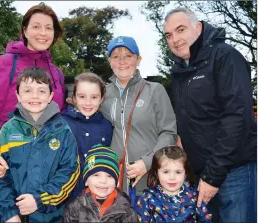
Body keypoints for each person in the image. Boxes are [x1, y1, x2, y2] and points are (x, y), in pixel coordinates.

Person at [0, 2, 65, 221]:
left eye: (49, 27)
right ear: (24, 30)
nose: (43, 33)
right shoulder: (5, 63)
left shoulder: (56, 73)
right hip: (6, 168)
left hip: (45, 172)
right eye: (36, 26)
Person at [163, 8, 257, 222]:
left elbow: (236, 118)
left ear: (198, 27)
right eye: (169, 35)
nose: (175, 39)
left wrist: (213, 176)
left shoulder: (225, 56)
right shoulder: (178, 71)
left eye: (180, 30)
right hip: (201, 174)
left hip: (234, 172)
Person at [0, 67, 80, 222]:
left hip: (52, 217)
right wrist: (9, 213)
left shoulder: (63, 131)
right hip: (16, 217)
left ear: (50, 96)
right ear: (18, 95)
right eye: (28, 90)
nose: (35, 96)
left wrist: (39, 200)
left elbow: (70, 172)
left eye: (41, 91)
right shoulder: (8, 130)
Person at [100, 36, 177, 196]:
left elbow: (168, 133)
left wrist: (147, 162)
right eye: (116, 57)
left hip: (149, 180)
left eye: (128, 56)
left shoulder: (155, 90)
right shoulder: (102, 95)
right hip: (113, 183)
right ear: (110, 61)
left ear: (138, 59)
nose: (122, 62)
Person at [62, 72, 113, 199]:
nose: (88, 102)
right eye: (82, 96)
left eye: (94, 97)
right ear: (74, 97)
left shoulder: (106, 126)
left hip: (93, 196)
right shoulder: (61, 123)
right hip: (64, 194)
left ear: (102, 99)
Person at [135, 145, 212, 222]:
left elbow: (206, 219)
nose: (172, 177)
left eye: (178, 172)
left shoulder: (195, 198)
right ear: (156, 173)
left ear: (185, 173)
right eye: (166, 172)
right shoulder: (147, 198)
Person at [63, 145, 138, 222]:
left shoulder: (126, 209)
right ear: (86, 181)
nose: (103, 181)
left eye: (109, 176)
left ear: (116, 182)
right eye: (96, 175)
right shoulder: (75, 208)